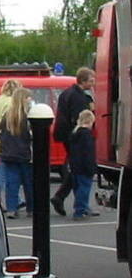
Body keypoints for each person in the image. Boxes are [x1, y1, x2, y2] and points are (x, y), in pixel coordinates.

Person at [51, 67, 95, 216]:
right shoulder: (79, 98)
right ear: (83, 81)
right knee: (79, 169)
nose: (93, 84)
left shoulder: (66, 93)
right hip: (75, 137)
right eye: (91, 81)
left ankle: (65, 198)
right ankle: (77, 203)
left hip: (66, 135)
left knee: (74, 168)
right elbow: (79, 118)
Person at [0, 87, 34, 219]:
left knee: (12, 183)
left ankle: (11, 209)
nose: (31, 100)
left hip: (9, 154)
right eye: (29, 97)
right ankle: (31, 208)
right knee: (29, 183)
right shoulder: (27, 117)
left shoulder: (8, 116)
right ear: (24, 99)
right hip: (25, 154)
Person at [68, 109, 99, 220]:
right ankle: (80, 210)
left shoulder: (75, 133)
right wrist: (92, 168)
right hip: (84, 167)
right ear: (90, 121)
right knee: (84, 189)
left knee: (78, 188)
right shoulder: (87, 135)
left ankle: (83, 207)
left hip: (75, 165)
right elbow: (88, 153)